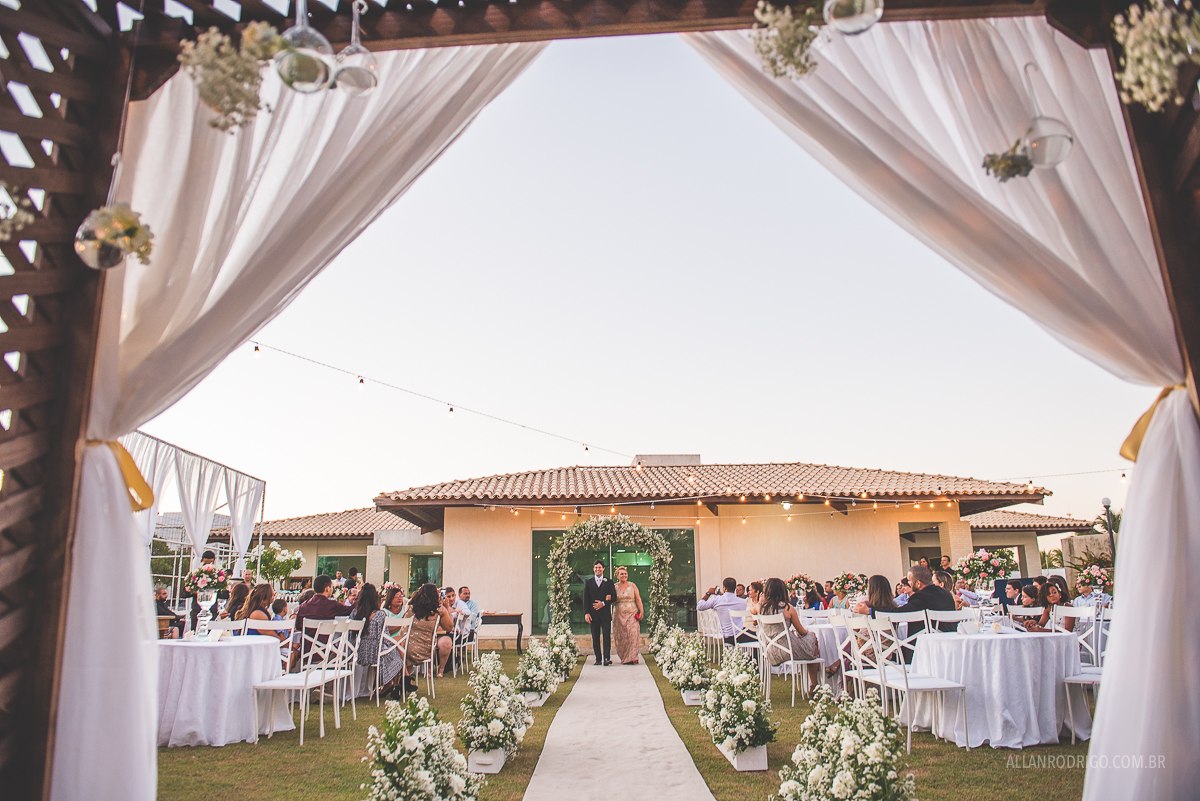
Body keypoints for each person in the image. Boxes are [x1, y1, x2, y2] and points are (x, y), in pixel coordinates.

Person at [758, 577, 820, 692]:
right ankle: (814, 685)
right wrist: (809, 634)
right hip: (788, 650)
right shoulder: (787, 608)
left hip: (771, 651)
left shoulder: (761, 608)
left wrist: (760, 600)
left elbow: (753, 610)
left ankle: (813, 685)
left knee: (811, 645)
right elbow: (802, 631)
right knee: (813, 640)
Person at [352, 584, 408, 697]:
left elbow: (351, 635)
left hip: (359, 653)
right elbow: (385, 637)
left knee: (394, 647)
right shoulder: (379, 615)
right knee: (396, 652)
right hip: (375, 654)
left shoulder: (354, 613)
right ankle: (398, 682)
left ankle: (390, 685)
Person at [293, 574, 353, 665]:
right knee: (343, 654)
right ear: (327, 588)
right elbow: (349, 610)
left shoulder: (303, 606)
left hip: (306, 654)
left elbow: (298, 626)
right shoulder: (331, 605)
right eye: (331, 587)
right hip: (325, 654)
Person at [403, 583, 454, 679]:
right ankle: (405, 681)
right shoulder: (439, 610)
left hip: (405, 648)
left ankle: (400, 681)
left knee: (397, 652)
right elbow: (449, 627)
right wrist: (447, 608)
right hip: (425, 651)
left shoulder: (410, 607)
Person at [898, 565, 956, 645]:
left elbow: (901, 613)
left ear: (918, 583)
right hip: (950, 642)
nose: (908, 583)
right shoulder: (946, 593)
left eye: (909, 580)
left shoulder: (920, 597)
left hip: (927, 646)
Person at [697, 577, 747, 646]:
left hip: (724, 636)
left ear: (724, 588)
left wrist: (708, 593)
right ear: (735, 588)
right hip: (739, 636)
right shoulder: (743, 602)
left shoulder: (716, 600)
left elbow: (699, 606)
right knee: (757, 635)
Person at [583, 560, 616, 665]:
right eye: (596, 567)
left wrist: (604, 603)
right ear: (593, 569)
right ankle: (598, 659)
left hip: (605, 615)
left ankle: (606, 658)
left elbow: (614, 597)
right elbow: (586, 599)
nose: (598, 569)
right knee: (595, 637)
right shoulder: (588, 582)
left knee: (606, 637)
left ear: (603, 569)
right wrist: (587, 613)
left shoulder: (609, 582)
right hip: (593, 615)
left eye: (600, 567)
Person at [612, 566, 644, 665]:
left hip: (632, 614)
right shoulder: (614, 587)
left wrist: (641, 610)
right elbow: (611, 601)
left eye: (625, 574)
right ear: (617, 575)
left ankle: (633, 657)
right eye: (621, 574)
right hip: (619, 615)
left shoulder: (632, 585)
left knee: (633, 635)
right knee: (622, 637)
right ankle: (624, 657)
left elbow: (638, 599)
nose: (624, 575)